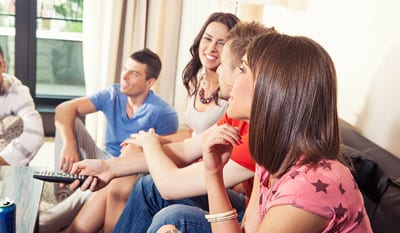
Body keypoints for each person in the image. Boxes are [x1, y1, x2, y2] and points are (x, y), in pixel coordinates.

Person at [68, 21, 275, 233]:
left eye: (225, 63)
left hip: (248, 218)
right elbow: (187, 148)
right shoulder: (237, 115)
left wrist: (150, 142)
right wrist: (110, 167)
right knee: (147, 186)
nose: (218, 68)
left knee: (173, 216)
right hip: (247, 206)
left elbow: (171, 186)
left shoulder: (258, 135)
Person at [201, 32, 373, 232]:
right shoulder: (273, 157)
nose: (231, 80)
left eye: (242, 69)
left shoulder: (308, 188)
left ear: (272, 88)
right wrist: (213, 174)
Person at [39, 48, 179, 232]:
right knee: (69, 123)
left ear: (149, 82)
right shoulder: (113, 94)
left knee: (53, 223)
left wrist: (122, 166)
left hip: (132, 171)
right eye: (125, 69)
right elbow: (64, 109)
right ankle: (66, 190)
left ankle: (46, 221)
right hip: (104, 157)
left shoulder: (164, 113)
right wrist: (69, 145)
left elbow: (164, 160)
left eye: (134, 73)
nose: (125, 76)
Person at [0, 45, 44, 166]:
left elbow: (35, 134)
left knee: (15, 121)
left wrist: (3, 160)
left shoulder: (17, 92)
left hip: (5, 153)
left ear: (3, 66)